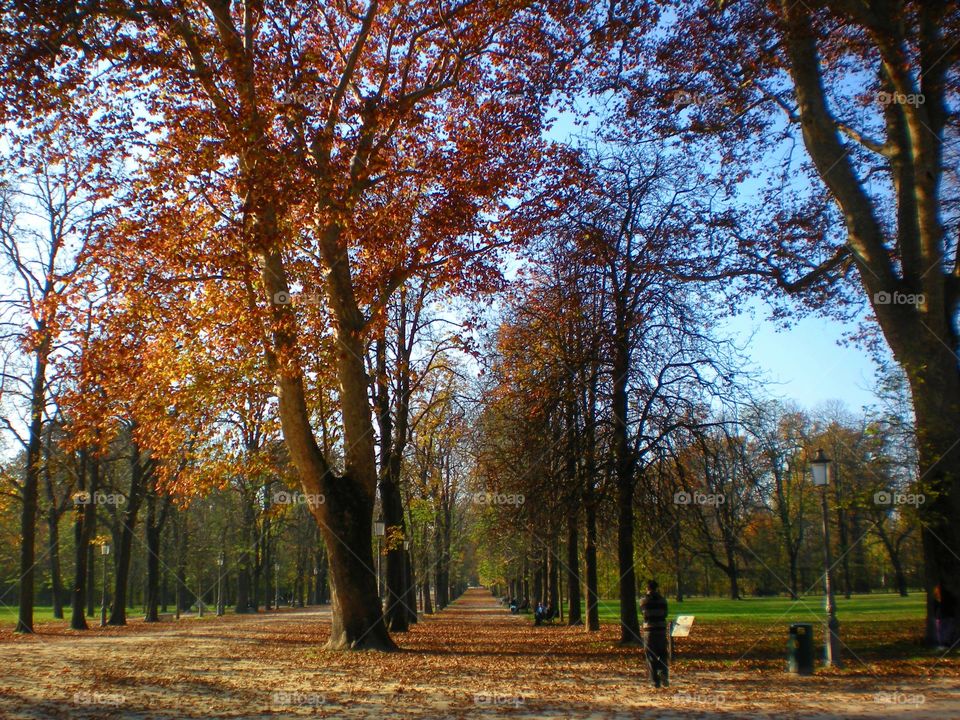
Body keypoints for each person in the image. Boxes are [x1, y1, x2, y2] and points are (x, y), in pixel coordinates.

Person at [640, 579, 669, 688]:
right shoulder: (663, 600)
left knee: (650, 655)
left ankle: (655, 681)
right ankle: (663, 672)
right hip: (661, 629)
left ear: (647, 588)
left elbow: (643, 613)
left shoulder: (643, 601)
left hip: (649, 630)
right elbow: (665, 613)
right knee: (662, 653)